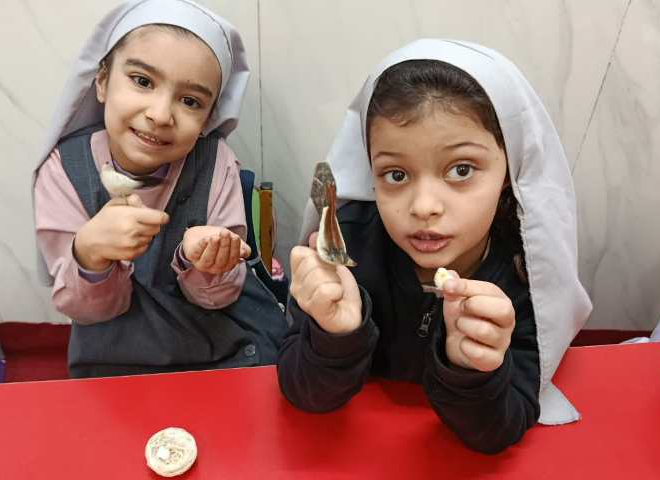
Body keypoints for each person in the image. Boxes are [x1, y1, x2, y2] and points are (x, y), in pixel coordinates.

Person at [277, 39, 592, 453]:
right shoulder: (346, 248)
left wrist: (472, 369)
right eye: (395, 174)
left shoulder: (529, 273)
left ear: (508, 173)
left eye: (461, 170)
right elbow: (303, 392)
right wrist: (335, 334)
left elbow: (498, 431)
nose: (424, 206)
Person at [33, 0, 286, 378]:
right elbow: (87, 309)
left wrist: (205, 263)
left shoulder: (215, 164)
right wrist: (90, 255)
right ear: (102, 81)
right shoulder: (64, 171)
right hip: (117, 355)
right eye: (142, 81)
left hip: (221, 342)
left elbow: (219, 296)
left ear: (208, 117)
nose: (160, 114)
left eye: (190, 101)